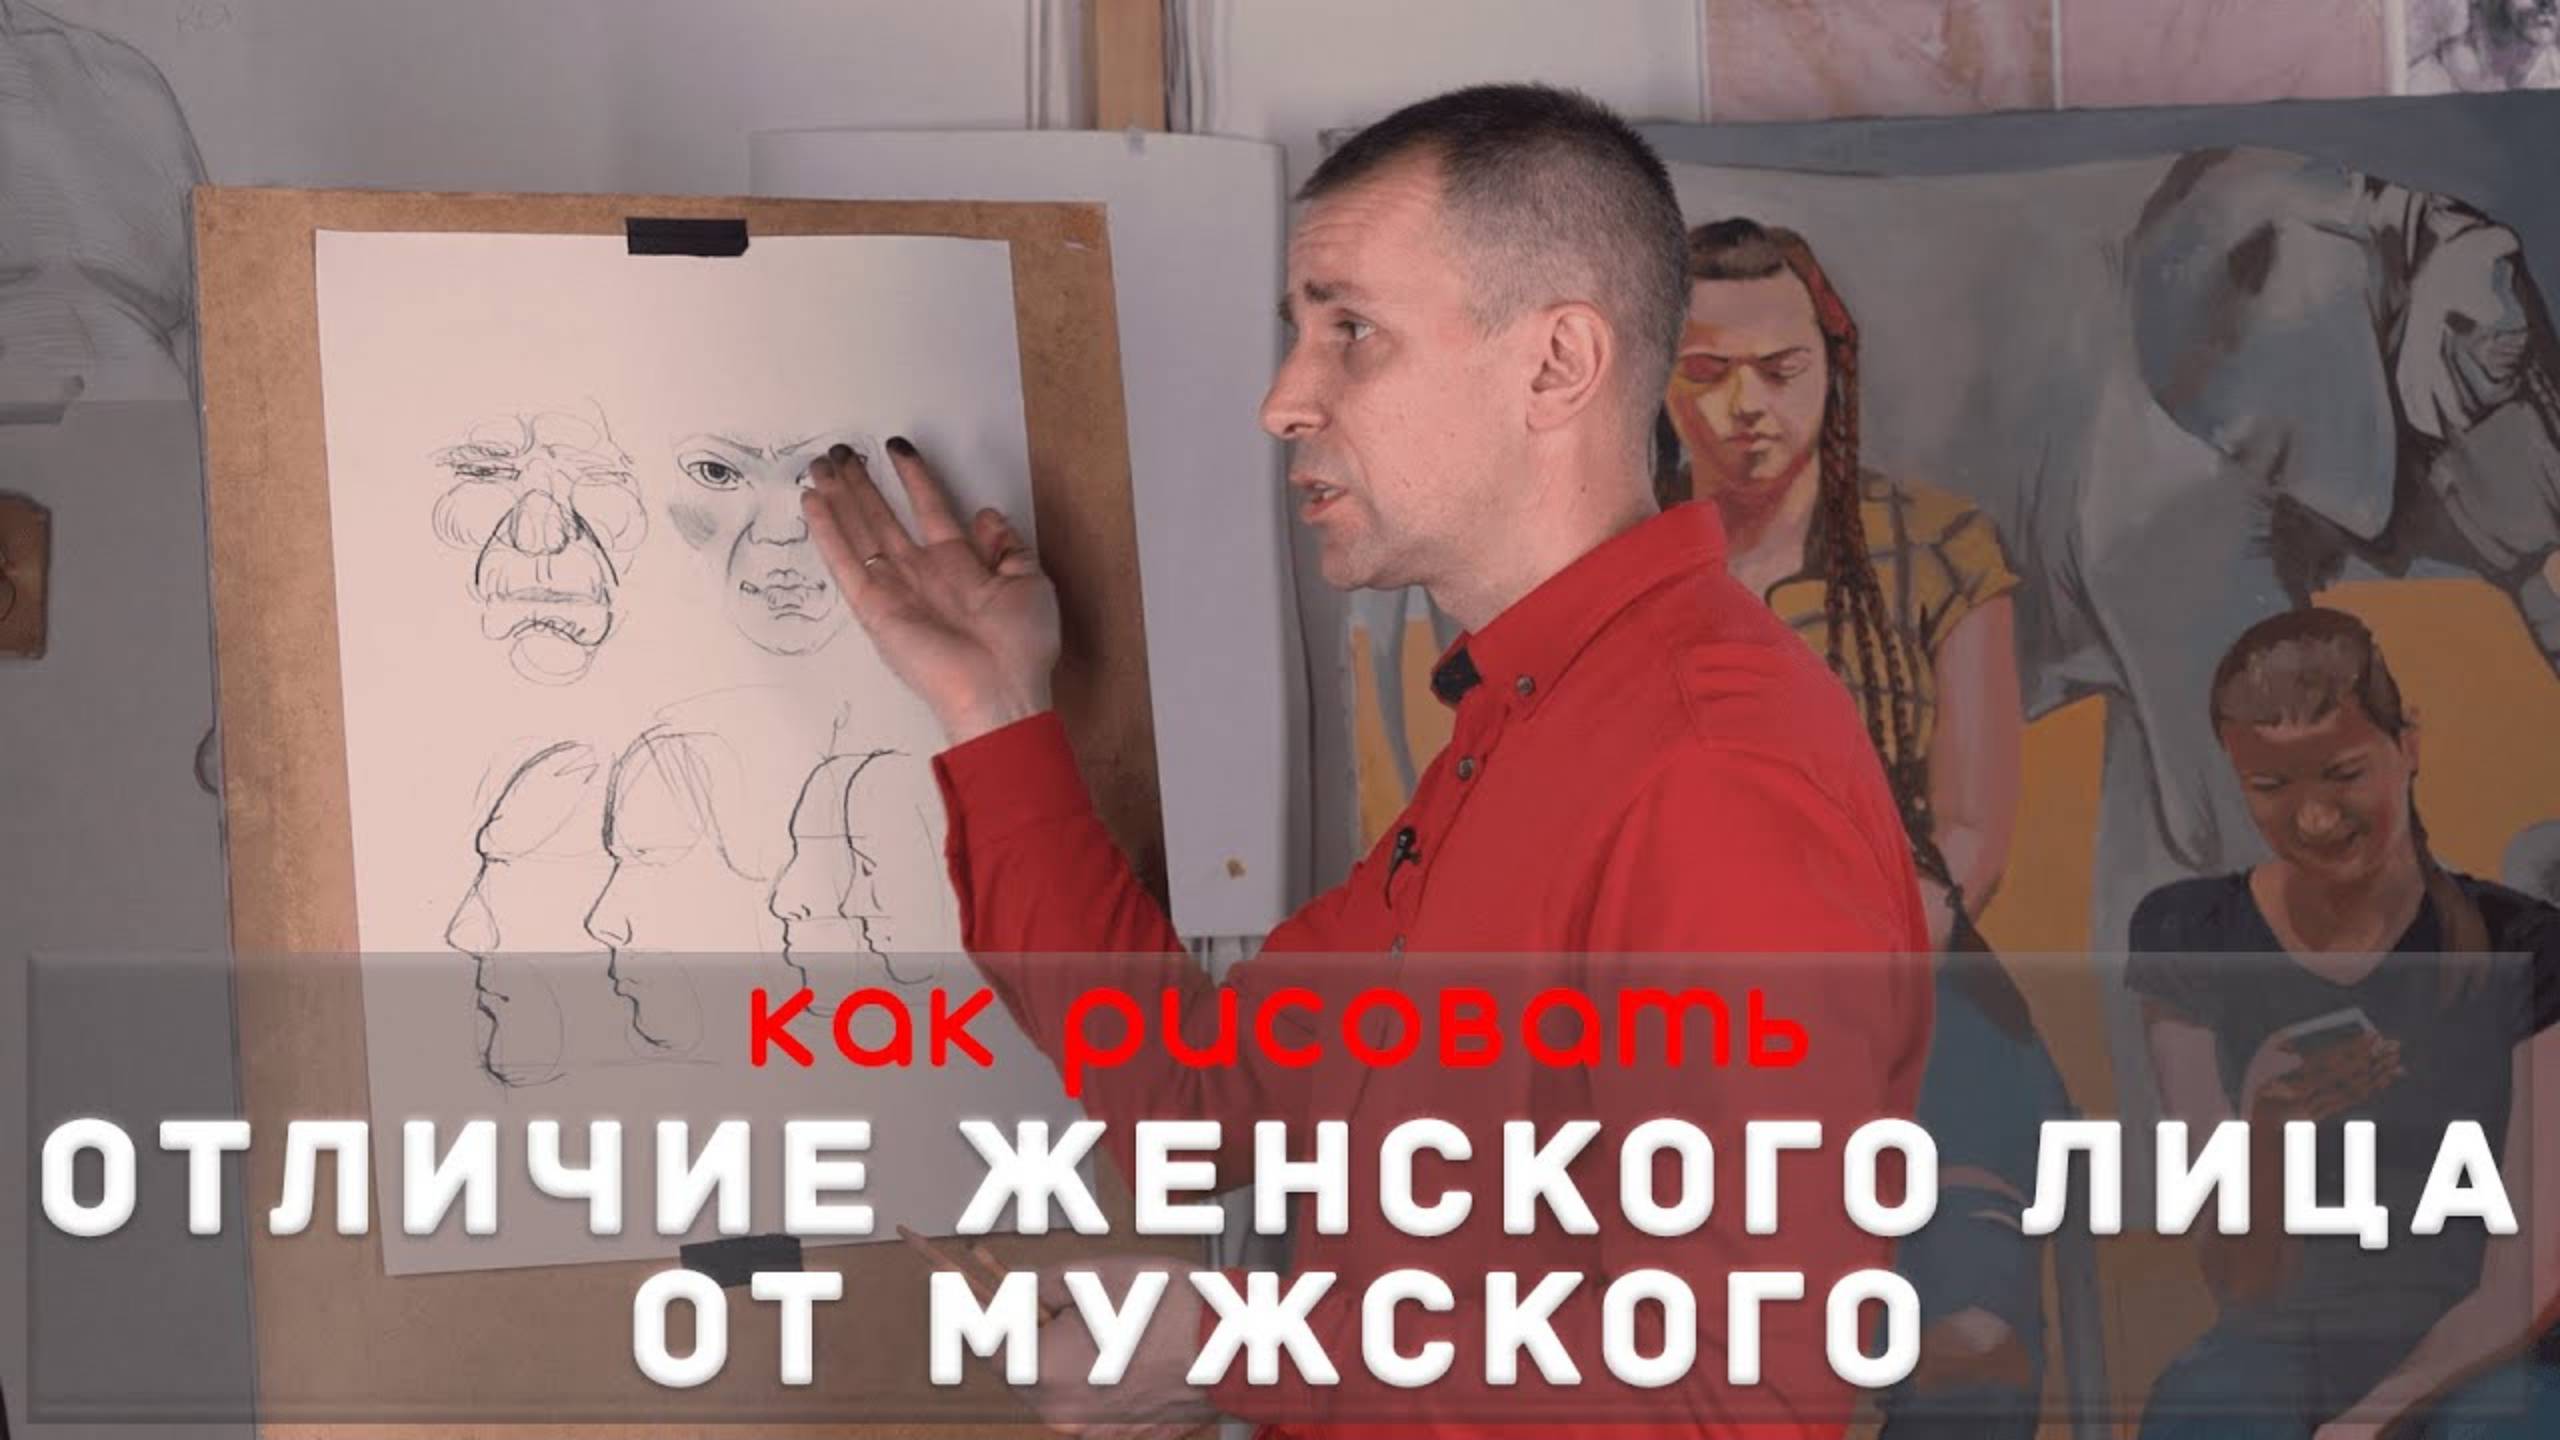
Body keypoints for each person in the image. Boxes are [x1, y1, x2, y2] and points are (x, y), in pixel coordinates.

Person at [803, 84, 1934, 1437]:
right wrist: (994, 706)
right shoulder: (1528, 723)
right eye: (1298, 334)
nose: (1286, 401)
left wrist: (1239, 1344)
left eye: (1352, 333)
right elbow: (1191, 1096)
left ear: (1557, 363)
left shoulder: (1710, 773)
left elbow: (1736, 1394)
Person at [1665, 217, 2068, 1438]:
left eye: (1781, 370)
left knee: (1973, 1348)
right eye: (1706, 371)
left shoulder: (1936, 549)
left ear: (1833, 369)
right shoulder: (1603, 569)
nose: (1746, 406)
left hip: (1906, 977)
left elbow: (1972, 834)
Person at [2128, 607, 2560, 1439]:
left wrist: (2370, 1420)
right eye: (2271, 787)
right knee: (2203, 1409)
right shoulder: (2188, 935)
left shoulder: (2527, 946)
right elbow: (2240, 1284)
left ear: (2408, 746)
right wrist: (2263, 1132)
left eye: (2343, 774)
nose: (2315, 818)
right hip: (2284, 1347)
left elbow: (2525, 1283)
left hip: (2492, 1354)